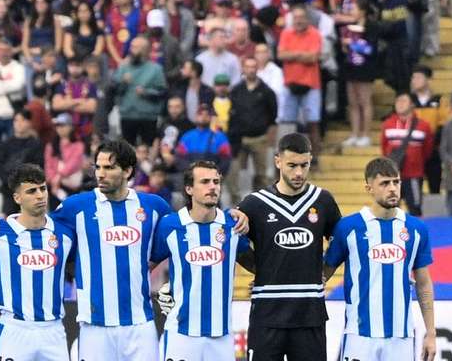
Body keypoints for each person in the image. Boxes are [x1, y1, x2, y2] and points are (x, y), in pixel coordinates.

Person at [61, 142, 173, 361]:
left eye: (109, 168)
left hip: (140, 324)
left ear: (128, 171)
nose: (101, 174)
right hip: (95, 325)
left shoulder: (154, 206)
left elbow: (178, 237)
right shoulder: (75, 207)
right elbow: (42, 234)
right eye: (98, 167)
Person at [238, 133, 345, 361]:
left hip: (310, 314)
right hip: (267, 315)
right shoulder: (255, 203)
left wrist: (324, 273)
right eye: (292, 165)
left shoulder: (323, 200)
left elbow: (341, 241)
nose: (298, 173)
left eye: (304, 165)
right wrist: (262, 268)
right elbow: (232, 241)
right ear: (277, 161)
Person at [331, 155, 435, 361]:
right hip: (359, 335)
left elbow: (423, 284)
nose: (392, 188)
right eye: (385, 183)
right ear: (369, 188)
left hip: (401, 336)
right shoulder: (348, 227)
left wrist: (431, 333)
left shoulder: (416, 229)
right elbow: (322, 274)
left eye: (396, 182)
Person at [151, 158, 245, 361]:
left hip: (222, 335)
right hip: (181, 334)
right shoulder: (170, 225)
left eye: (216, 182)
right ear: (189, 189)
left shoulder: (233, 225)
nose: (212, 187)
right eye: (205, 182)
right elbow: (143, 268)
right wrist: (160, 292)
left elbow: (259, 266)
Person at [0, 172, 70, 361]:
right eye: (31, 191)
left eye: (43, 188)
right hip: (15, 330)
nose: (40, 195)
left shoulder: (65, 233)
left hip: (53, 331)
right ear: (17, 197)